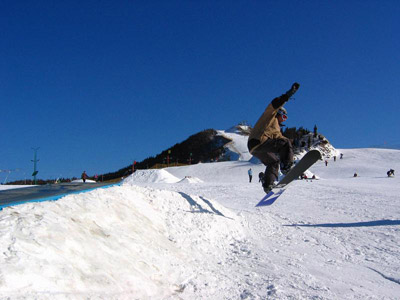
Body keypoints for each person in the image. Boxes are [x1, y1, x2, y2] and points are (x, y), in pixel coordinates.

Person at [248, 82, 300, 193]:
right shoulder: (270, 115)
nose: (284, 119)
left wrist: (294, 143)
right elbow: (276, 103)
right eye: (284, 116)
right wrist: (288, 94)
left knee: (274, 162)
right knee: (285, 144)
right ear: (279, 112)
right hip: (259, 140)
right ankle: (286, 167)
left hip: (255, 148)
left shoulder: (276, 128)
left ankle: (268, 185)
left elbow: (281, 140)